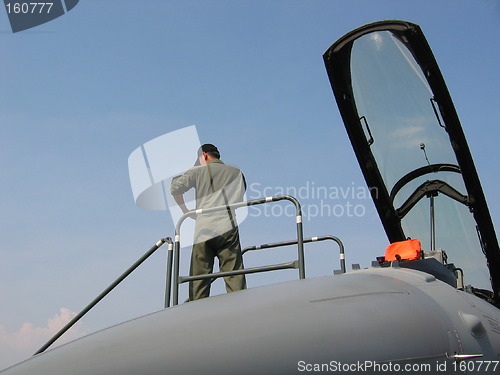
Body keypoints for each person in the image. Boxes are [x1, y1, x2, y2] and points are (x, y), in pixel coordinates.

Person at [170, 144, 247, 301]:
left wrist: (186, 211)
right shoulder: (236, 172)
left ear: (204, 156)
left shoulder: (198, 171)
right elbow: (239, 199)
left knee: (199, 279)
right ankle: (240, 308)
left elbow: (175, 189)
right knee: (234, 274)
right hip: (228, 226)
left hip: (204, 229)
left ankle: (196, 313)